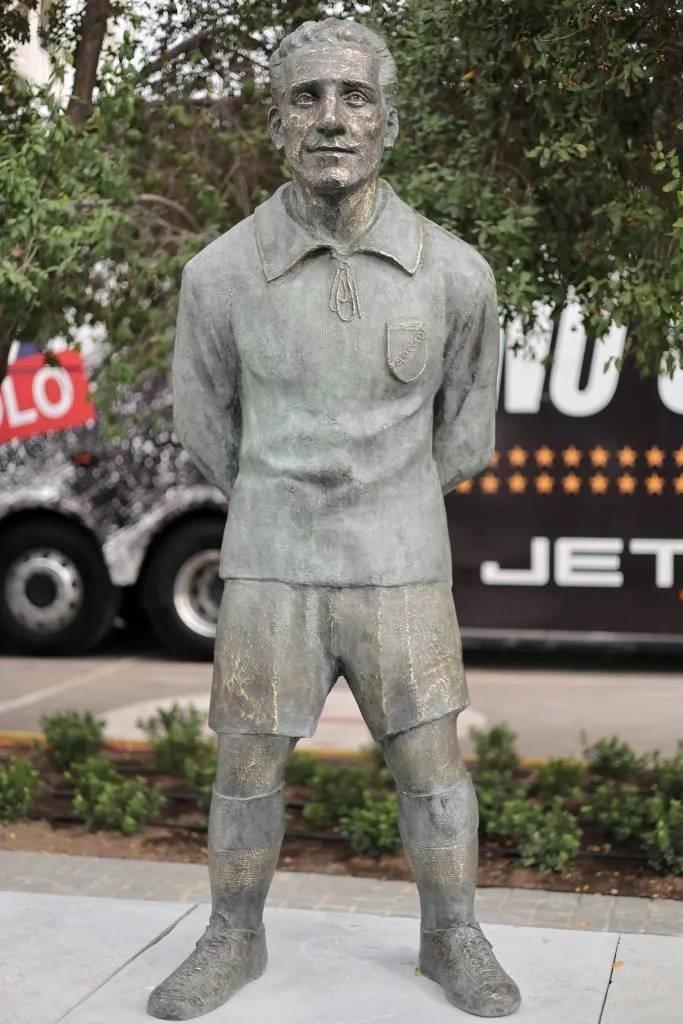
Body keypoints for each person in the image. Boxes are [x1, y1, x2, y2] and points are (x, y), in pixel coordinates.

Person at [148, 16, 521, 1021]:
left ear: (388, 122)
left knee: (433, 763)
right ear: (276, 122)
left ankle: (452, 933)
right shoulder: (220, 277)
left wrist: (381, 500)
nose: (331, 118)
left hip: (401, 566)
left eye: (354, 98)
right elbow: (203, 424)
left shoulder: (455, 275)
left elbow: (465, 434)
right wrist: (285, 498)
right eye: (307, 98)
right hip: (269, 564)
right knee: (245, 762)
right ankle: (232, 932)